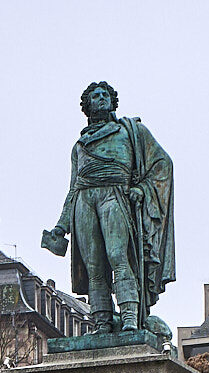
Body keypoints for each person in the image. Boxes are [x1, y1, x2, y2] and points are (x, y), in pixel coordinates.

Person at [44, 81, 175, 334]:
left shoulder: (130, 131)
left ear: (112, 101)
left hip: (114, 195)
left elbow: (163, 163)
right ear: (87, 104)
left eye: (105, 94)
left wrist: (143, 188)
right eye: (95, 95)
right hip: (84, 199)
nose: (101, 97)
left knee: (118, 257)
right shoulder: (79, 145)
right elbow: (73, 186)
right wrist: (61, 225)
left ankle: (129, 317)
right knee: (94, 266)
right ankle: (101, 321)